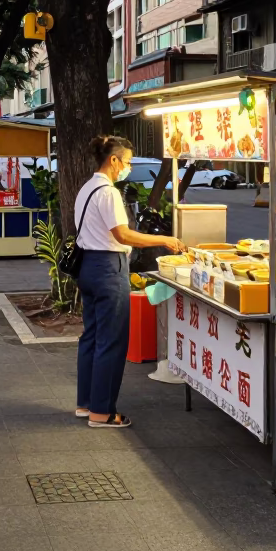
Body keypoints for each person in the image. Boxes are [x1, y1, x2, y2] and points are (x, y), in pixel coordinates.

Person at [74, 136, 184, 429]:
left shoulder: (86, 188)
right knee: (111, 340)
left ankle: (85, 404)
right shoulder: (108, 193)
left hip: (87, 267)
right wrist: (164, 239)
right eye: (128, 162)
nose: (129, 167)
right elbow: (122, 235)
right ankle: (102, 413)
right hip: (108, 268)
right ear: (114, 161)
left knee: (92, 337)